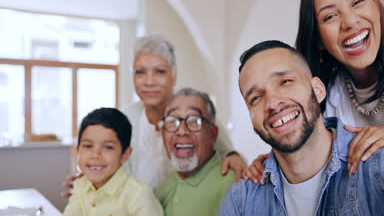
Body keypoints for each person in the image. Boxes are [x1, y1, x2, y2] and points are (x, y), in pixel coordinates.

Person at [215, 41, 384, 216]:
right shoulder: (240, 204)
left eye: (285, 82)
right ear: (252, 120)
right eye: (256, 97)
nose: (272, 103)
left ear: (318, 89)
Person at [244, 0, 384, 181]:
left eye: (357, 2)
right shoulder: (319, 98)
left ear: (376, 5)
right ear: (319, 40)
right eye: (330, 16)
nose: (350, 22)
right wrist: (272, 164)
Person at [62, 35, 246, 195]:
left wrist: (233, 157)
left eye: (160, 72)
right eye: (140, 72)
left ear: (173, 76)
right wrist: (91, 180)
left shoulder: (193, 113)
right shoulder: (124, 119)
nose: (149, 82)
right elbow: (112, 168)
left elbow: (229, 153)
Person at [58, 108, 164, 216]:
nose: (95, 155)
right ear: (78, 151)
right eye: (88, 146)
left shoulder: (139, 195)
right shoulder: (81, 184)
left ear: (125, 155)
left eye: (108, 147)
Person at [155, 88, 235, 216]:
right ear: (162, 133)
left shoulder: (235, 185)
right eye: (172, 120)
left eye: (194, 121)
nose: (182, 131)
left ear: (213, 134)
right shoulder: (163, 185)